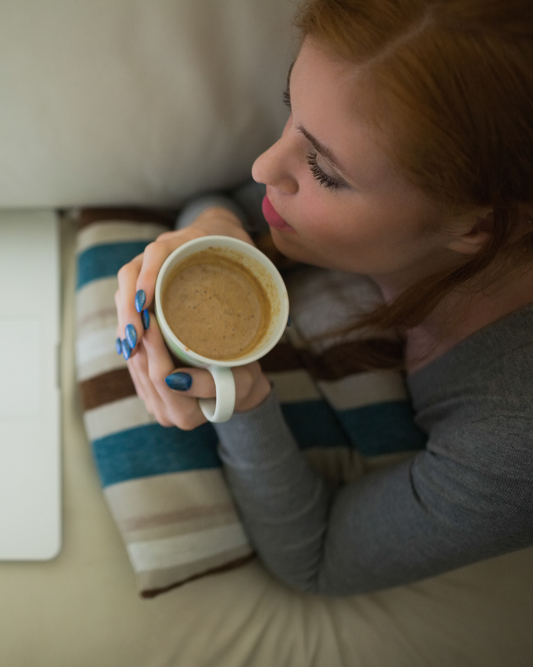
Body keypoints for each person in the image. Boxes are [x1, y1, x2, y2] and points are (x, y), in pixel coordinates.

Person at [114, 0, 533, 595]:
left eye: (326, 172)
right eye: (292, 111)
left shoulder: (514, 436)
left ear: (476, 228)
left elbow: (317, 559)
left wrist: (244, 401)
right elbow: (230, 195)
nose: (263, 166)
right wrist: (214, 231)